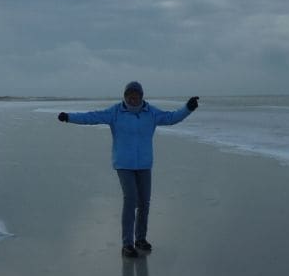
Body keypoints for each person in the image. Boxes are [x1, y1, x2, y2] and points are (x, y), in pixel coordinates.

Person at [58, 81, 198, 257]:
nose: (132, 98)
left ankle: (140, 239)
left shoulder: (151, 112)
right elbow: (92, 117)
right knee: (131, 199)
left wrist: (188, 108)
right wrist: (69, 117)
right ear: (124, 96)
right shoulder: (115, 112)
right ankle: (127, 244)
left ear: (141, 96)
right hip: (124, 164)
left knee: (144, 203)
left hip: (144, 164)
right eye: (129, 95)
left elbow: (171, 118)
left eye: (136, 95)